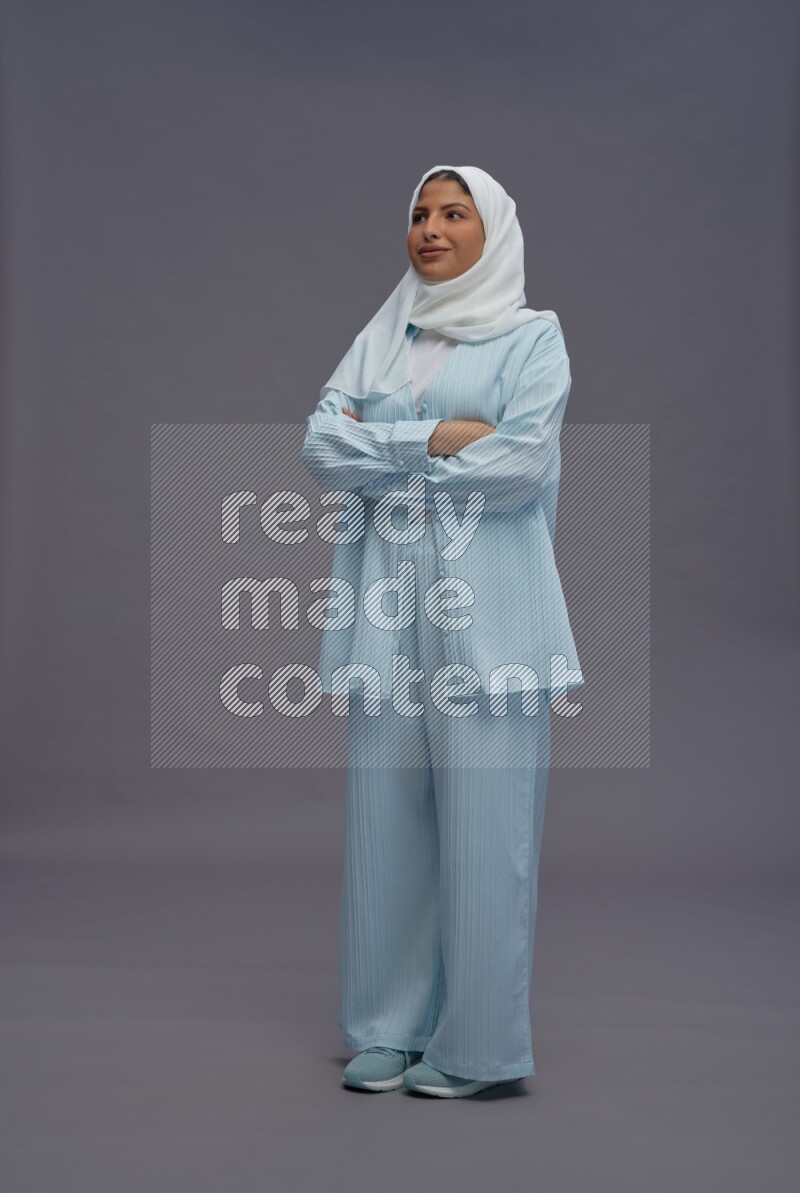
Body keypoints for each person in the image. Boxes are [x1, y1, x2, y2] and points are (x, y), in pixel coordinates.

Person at [301, 164, 584, 1097]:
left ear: (490, 231)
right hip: (387, 616)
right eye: (420, 212)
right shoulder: (383, 339)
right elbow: (319, 449)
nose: (430, 227)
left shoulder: (533, 339)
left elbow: (519, 464)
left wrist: (381, 447)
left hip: (491, 623)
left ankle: (477, 1047)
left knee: (486, 835)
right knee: (385, 826)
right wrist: (435, 436)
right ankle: (388, 1026)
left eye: (454, 212)